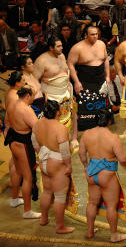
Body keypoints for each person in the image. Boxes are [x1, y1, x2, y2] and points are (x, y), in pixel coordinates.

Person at [79, 109, 126, 243]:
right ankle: (114, 236)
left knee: (92, 203)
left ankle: (90, 231)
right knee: (111, 206)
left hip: (92, 173)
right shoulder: (113, 138)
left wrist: (85, 166)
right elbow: (122, 158)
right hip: (108, 176)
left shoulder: (86, 135)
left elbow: (82, 154)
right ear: (108, 121)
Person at [31, 100, 75, 233]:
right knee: (60, 196)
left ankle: (44, 218)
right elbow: (65, 150)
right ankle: (60, 226)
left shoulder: (38, 123)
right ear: (58, 112)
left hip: (44, 160)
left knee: (47, 191)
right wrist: (68, 166)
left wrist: (41, 153)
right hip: (57, 163)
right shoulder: (60, 128)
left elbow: (33, 140)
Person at [4, 86, 40, 219]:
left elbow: (6, 122)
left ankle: (14, 199)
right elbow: (37, 129)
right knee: (28, 177)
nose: (34, 98)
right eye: (33, 95)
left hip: (13, 141)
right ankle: (27, 211)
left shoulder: (12, 104)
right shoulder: (26, 110)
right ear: (27, 96)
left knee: (17, 170)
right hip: (23, 143)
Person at [68, 25, 111, 132]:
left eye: (96, 34)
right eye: (92, 34)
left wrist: (108, 76)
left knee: (103, 107)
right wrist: (76, 82)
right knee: (86, 109)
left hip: (101, 80)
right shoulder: (77, 48)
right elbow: (70, 64)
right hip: (85, 81)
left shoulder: (101, 44)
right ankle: (86, 131)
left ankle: (104, 125)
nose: (95, 36)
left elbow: (105, 60)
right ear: (86, 35)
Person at [33, 37, 76, 143]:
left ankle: (66, 140)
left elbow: (66, 73)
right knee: (53, 123)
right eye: (58, 46)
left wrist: (70, 89)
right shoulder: (41, 61)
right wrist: (42, 97)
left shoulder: (62, 56)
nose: (62, 48)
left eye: (61, 45)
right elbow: (34, 81)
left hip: (65, 93)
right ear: (51, 48)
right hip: (51, 97)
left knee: (68, 117)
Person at [4, 71, 26, 208]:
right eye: (23, 80)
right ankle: (16, 191)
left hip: (10, 128)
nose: (25, 82)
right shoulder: (14, 97)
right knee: (17, 163)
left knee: (14, 160)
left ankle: (14, 185)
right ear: (17, 83)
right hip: (13, 130)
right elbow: (11, 117)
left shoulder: (11, 92)